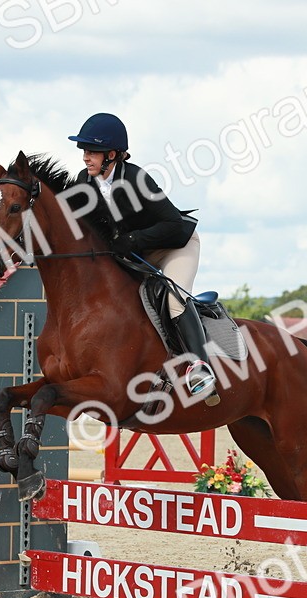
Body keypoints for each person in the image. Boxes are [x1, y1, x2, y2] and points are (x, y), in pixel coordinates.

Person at [66, 112, 216, 400]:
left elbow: (172, 225)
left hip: (175, 246)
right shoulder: (83, 183)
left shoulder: (137, 178)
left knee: (174, 299)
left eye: (92, 152)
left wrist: (132, 239)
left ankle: (201, 368)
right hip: (135, 252)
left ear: (112, 155)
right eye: (84, 151)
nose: (85, 157)